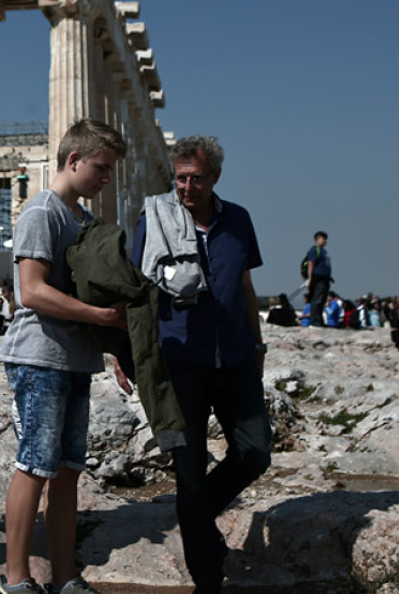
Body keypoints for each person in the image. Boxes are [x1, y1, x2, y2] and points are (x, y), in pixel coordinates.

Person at [131, 135, 269, 594]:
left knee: (255, 453)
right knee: (188, 474)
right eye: (180, 178)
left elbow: (245, 286)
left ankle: (193, 512)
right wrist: (130, 353)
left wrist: (258, 341)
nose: (186, 187)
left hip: (235, 358)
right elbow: (137, 294)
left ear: (215, 178)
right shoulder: (154, 221)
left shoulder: (239, 221)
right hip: (179, 363)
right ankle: (208, 579)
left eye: (196, 179)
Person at [0, 120, 128, 594]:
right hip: (39, 356)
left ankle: (65, 575)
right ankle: (15, 580)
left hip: (75, 359)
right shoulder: (41, 212)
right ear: (74, 160)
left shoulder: (83, 221)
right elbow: (30, 292)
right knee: (35, 465)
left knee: (69, 468)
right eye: (102, 167)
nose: (106, 178)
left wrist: (118, 352)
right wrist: (98, 315)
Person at [304, 231, 332, 327]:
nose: (325, 241)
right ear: (318, 238)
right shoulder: (314, 250)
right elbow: (311, 264)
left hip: (325, 278)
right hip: (317, 278)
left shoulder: (324, 252)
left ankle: (319, 321)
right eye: (324, 238)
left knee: (322, 300)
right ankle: (315, 321)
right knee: (317, 299)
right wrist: (310, 279)